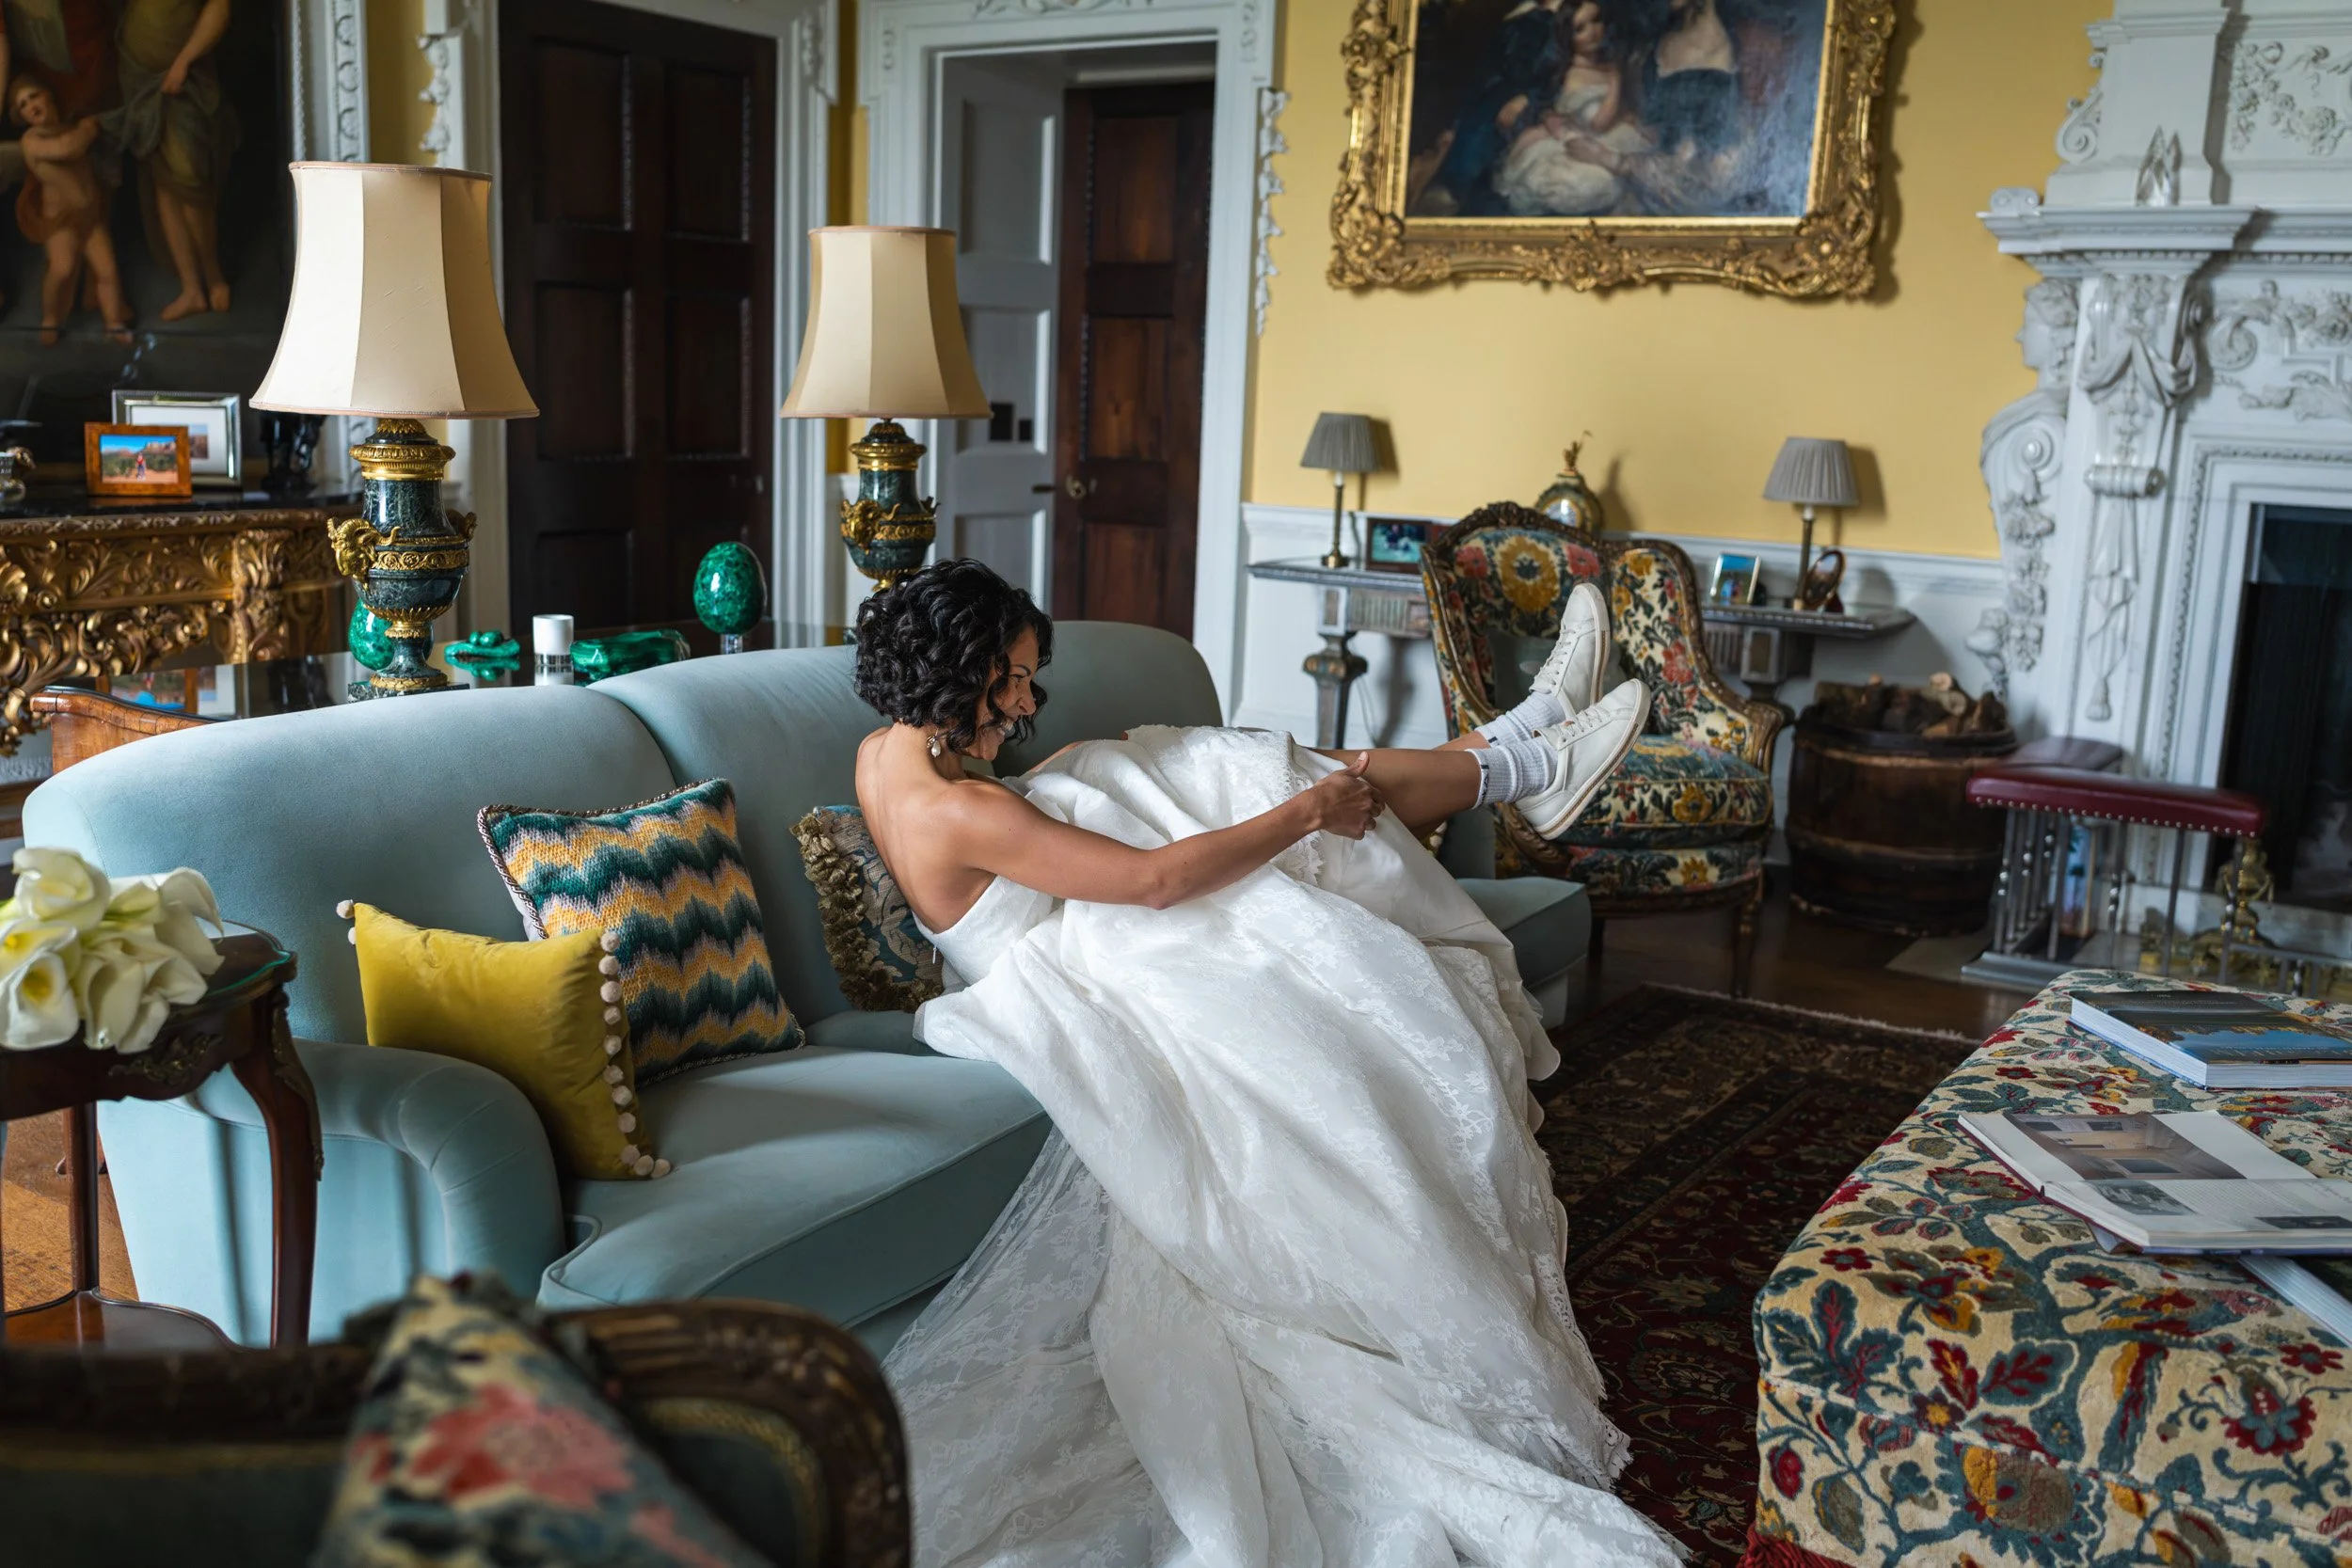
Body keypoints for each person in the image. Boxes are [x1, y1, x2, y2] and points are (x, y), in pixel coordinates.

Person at [854, 559, 1679, 1566]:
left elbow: (1030, 823)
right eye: (1011, 679)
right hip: (1077, 960)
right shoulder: (963, 812)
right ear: (954, 672)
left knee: (1190, 763)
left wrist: (1093, 765)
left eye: (1026, 675)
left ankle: (1518, 747)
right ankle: (1517, 762)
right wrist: (1302, 814)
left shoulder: (884, 755)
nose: (1025, 701)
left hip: (1062, 918)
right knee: (1248, 796)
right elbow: (1154, 885)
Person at [1495, 0, 1654, 217]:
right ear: (1568, 37)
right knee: (1591, 183)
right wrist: (1615, 78)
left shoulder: (1607, 65)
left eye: (1596, 21)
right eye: (1580, 29)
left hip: (1607, 140)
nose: (1593, 33)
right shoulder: (1572, 74)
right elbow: (1599, 123)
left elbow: (1623, 111)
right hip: (1581, 141)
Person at [8, 73, 129, 343]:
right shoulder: (33, 140)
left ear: (48, 95)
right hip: (61, 222)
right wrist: (88, 128)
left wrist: (85, 127)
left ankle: (114, 324)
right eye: (23, 104)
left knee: (107, 270)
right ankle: (51, 318)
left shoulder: (67, 127)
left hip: (90, 218)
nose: (32, 106)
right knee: (62, 269)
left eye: (34, 96)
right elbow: (67, 149)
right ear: (21, 116)